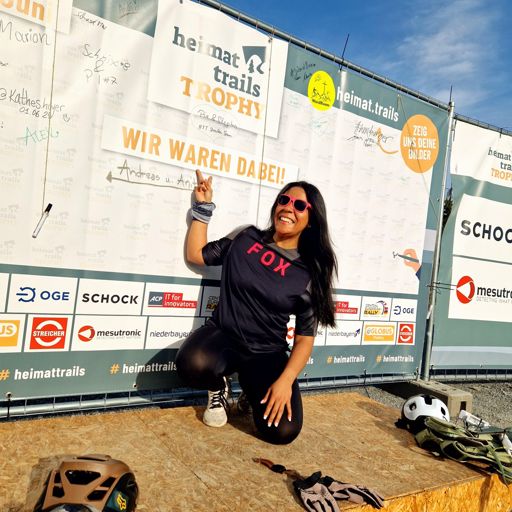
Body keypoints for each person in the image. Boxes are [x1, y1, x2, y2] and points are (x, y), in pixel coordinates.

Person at [176, 170, 337, 444]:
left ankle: (252, 393)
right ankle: (219, 388)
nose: (288, 208)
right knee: (190, 364)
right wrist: (202, 209)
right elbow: (197, 255)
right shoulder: (246, 237)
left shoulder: (308, 273)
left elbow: (304, 340)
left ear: (311, 220)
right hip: (223, 336)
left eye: (299, 205)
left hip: (266, 354)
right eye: (284, 200)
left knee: (282, 432)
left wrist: (285, 381)